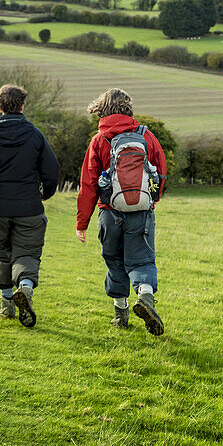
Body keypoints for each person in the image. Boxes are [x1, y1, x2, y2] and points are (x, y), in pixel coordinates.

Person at [76, 88, 167, 336]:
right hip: (141, 211)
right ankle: (145, 297)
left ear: (102, 109)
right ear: (128, 107)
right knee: (142, 260)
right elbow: (162, 170)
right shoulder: (146, 136)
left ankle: (120, 313)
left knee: (114, 260)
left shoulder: (99, 140)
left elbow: (88, 183)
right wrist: (152, 199)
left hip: (109, 212)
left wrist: (82, 222)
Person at [0, 83, 60, 329]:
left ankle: (7, 304)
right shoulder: (35, 135)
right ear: (22, 106)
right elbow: (52, 171)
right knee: (27, 253)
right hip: (29, 206)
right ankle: (26, 288)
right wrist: (44, 194)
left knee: (2, 253)